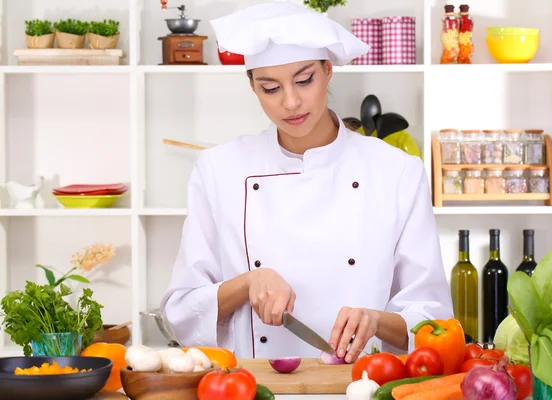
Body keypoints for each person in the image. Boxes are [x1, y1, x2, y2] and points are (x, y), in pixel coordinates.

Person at [160, 2, 453, 363]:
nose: (292, 102)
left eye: (304, 80)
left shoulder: (396, 172)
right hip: (253, 386)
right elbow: (179, 313)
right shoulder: (219, 170)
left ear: (328, 71)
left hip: (364, 383)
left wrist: (376, 321)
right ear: (252, 86)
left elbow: (434, 321)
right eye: (270, 88)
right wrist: (246, 284)